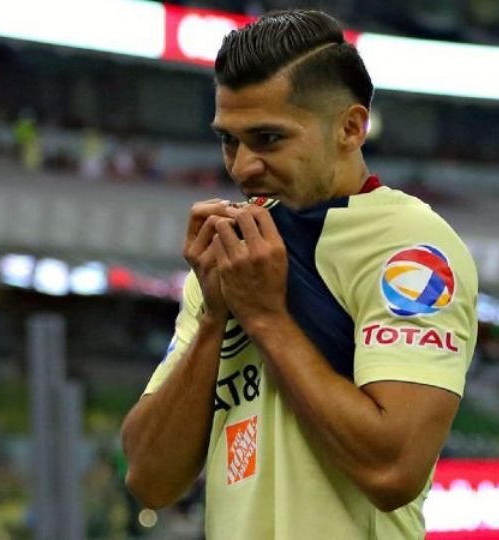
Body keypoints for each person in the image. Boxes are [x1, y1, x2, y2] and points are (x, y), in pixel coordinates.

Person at [120, 9, 478, 540]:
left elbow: (393, 470)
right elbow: (149, 478)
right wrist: (215, 319)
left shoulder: (411, 248)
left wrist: (266, 316)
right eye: (229, 141)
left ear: (350, 128)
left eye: (268, 139)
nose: (242, 167)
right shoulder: (235, 252)